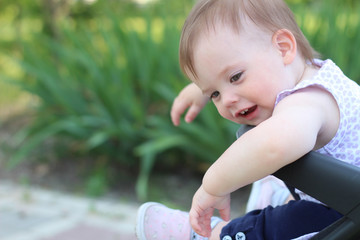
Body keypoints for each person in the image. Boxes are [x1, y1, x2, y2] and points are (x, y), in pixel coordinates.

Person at [136, 0, 360, 239]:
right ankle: (277, 194)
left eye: (235, 77)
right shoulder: (307, 73)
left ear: (283, 49)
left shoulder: (310, 101)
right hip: (339, 194)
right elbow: (227, 67)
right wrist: (205, 88)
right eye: (215, 94)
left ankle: (214, 234)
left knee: (282, 225)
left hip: (348, 210)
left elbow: (274, 146)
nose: (227, 100)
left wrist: (214, 184)